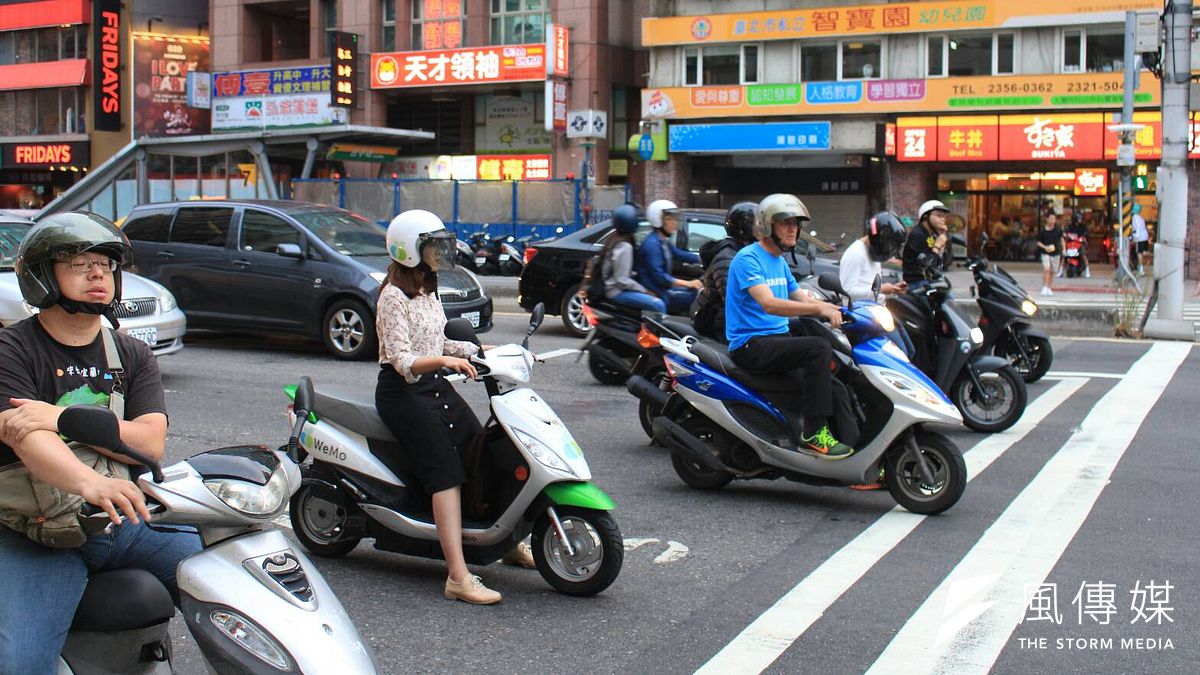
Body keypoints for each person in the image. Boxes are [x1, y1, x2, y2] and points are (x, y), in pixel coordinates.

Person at [0, 212, 201, 671]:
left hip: (126, 521)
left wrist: (58, 416)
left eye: (106, 264)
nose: (98, 274)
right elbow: (30, 441)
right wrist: (89, 482)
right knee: (21, 665)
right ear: (41, 275)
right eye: (78, 264)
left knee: (234, 585)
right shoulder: (11, 351)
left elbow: (149, 444)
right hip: (37, 534)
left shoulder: (131, 353)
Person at [374, 209, 532, 606]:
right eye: (432, 245)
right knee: (446, 472)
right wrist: (446, 363)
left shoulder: (429, 287)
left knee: (482, 446)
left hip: (434, 384)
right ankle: (458, 576)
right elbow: (403, 360)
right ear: (410, 250)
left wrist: (480, 351)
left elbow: (441, 341)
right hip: (403, 392)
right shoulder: (392, 296)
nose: (440, 252)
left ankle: (505, 540)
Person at [726, 193, 852, 458]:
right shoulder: (748, 259)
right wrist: (817, 309)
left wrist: (839, 309)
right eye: (785, 222)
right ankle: (813, 434)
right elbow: (769, 304)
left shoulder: (779, 262)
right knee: (817, 348)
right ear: (766, 226)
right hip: (751, 344)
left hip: (777, 340)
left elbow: (801, 297)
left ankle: (862, 462)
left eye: (796, 222)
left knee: (837, 387)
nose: (793, 228)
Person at [839, 212, 914, 356]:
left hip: (879, 311)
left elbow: (870, 283)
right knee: (899, 354)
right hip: (864, 316)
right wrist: (882, 290)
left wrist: (890, 289)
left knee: (908, 351)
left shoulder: (872, 254)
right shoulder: (855, 255)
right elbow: (847, 291)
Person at [690, 201, 757, 341]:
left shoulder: (745, 252)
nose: (763, 229)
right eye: (758, 224)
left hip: (731, 318)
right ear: (745, 228)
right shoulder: (727, 258)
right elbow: (733, 300)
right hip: (720, 322)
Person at [637, 199, 703, 314]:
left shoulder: (662, 241)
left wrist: (705, 258)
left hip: (663, 289)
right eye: (668, 219)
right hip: (657, 292)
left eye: (674, 218)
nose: (674, 223)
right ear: (657, 220)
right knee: (697, 299)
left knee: (695, 293)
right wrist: (689, 283)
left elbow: (680, 254)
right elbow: (660, 276)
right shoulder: (652, 244)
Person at [601, 203, 666, 313]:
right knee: (658, 304)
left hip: (615, 287)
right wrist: (645, 291)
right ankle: (657, 330)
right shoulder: (624, 246)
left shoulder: (614, 239)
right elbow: (622, 280)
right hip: (617, 291)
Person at [901, 199, 953, 285]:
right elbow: (927, 266)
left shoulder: (932, 235)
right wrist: (937, 246)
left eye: (944, 216)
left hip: (931, 280)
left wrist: (944, 242)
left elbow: (945, 263)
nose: (942, 219)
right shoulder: (918, 234)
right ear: (926, 216)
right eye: (938, 215)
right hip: (917, 282)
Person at [1036, 212, 1064, 296]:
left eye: (1054, 219)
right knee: (1046, 269)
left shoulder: (1058, 230)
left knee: (1052, 271)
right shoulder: (1042, 231)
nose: (1052, 220)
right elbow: (1038, 242)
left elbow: (1061, 239)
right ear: (1047, 219)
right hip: (1045, 252)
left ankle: (1048, 287)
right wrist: (1045, 247)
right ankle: (1044, 287)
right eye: (1051, 219)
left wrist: (1064, 249)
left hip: (1056, 253)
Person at [1065, 211, 1091, 278]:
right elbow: (1067, 233)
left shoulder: (1083, 226)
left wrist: (1084, 238)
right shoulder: (1070, 226)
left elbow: (1086, 234)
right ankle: (1060, 270)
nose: (1080, 220)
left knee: (1083, 254)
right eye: (1078, 218)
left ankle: (1087, 270)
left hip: (1080, 243)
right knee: (1064, 254)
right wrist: (1067, 236)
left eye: (1080, 218)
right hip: (1071, 243)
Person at [1131, 203, 1150, 276]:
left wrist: (1135, 238)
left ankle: (1141, 269)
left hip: (1139, 238)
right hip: (1144, 237)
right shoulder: (1140, 217)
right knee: (1141, 253)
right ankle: (1141, 268)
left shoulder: (1135, 217)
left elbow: (1137, 228)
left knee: (1139, 253)